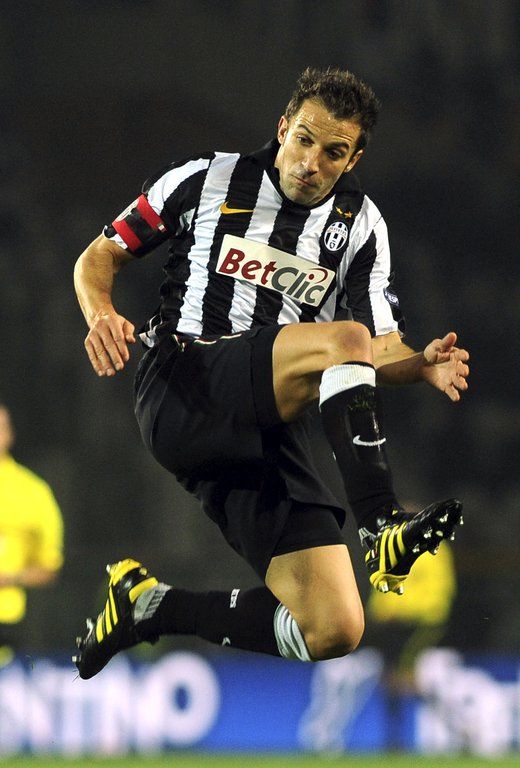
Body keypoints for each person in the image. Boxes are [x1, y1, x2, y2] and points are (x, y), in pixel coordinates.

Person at [72, 67, 469, 679]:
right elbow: (99, 257)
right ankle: (381, 524)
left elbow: (377, 348)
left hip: (265, 423)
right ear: (283, 128)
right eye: (304, 139)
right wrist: (101, 314)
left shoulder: (360, 226)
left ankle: (149, 608)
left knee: (334, 626)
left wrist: (419, 366)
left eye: (333, 152)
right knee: (345, 337)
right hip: (183, 383)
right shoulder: (207, 178)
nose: (311, 162)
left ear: (353, 159)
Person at [0, 403, 64, 666]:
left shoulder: (33, 492)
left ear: (10, 434)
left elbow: (50, 566)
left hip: (11, 622)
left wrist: (11, 578)